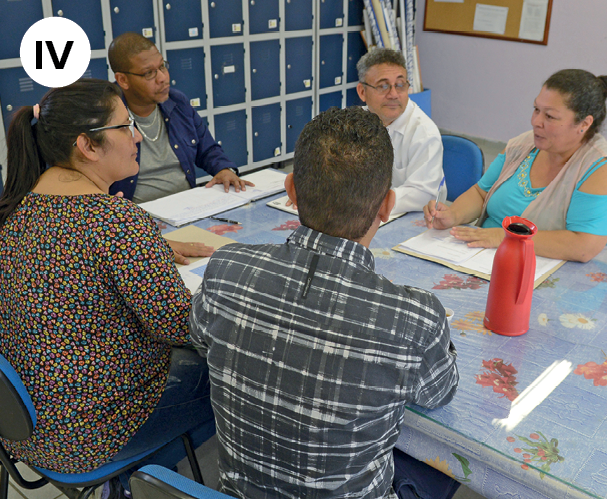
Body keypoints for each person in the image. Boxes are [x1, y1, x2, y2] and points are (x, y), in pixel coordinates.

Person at [190, 106, 459, 498]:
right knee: (439, 472)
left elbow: (199, 336)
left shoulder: (226, 268)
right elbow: (439, 392)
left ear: (291, 190)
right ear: (386, 206)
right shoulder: (414, 318)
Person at [0, 79, 214, 483]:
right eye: (125, 126)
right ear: (87, 146)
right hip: (89, 435)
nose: (136, 137)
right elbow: (183, 325)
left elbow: (72, 267)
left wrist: (149, 251)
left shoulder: (19, 209)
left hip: (25, 426)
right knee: (228, 374)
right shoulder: (116, 222)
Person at [424, 69, 607, 263]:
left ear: (584, 124)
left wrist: (505, 237)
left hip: (535, 270)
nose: (536, 122)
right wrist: (453, 215)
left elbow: (584, 247)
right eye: (536, 110)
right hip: (479, 258)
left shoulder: (597, 167)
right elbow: (481, 193)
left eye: (550, 117)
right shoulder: (523, 146)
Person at [108, 32, 254, 264]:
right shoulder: (107, 118)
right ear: (123, 80)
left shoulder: (178, 103)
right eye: (149, 73)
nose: (163, 78)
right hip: (139, 222)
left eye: (163, 67)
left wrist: (225, 169)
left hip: (186, 211)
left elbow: (207, 150)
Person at [357, 47, 445, 215]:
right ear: (362, 92)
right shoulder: (355, 122)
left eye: (400, 85)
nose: (394, 94)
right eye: (383, 86)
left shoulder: (424, 132)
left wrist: (365, 202)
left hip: (409, 218)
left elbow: (423, 193)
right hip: (364, 212)